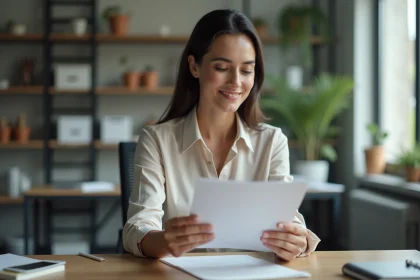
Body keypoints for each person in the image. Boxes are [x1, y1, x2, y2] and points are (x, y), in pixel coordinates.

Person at [123, 9, 320, 261]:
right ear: (195, 66)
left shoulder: (272, 142)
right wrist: (163, 241)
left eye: (247, 70)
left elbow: (287, 221)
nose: (236, 82)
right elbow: (136, 228)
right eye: (222, 67)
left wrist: (296, 241)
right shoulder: (157, 140)